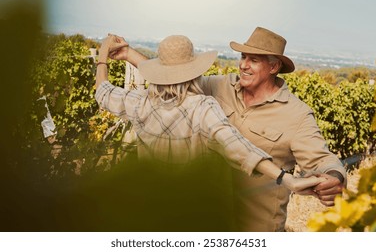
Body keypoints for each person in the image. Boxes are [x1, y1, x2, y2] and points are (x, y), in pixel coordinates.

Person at [108, 27, 347, 232]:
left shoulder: (296, 114)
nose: (243, 65)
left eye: (253, 60)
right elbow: (173, 77)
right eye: (243, 57)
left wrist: (334, 178)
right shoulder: (219, 86)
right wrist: (129, 54)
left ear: (274, 67)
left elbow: (322, 159)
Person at [95, 34, 323, 193]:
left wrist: (103, 56)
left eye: (253, 59)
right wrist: (285, 178)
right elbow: (238, 147)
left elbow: (103, 93)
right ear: (194, 69)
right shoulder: (204, 107)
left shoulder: (140, 102)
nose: (244, 65)